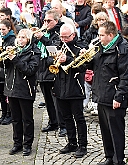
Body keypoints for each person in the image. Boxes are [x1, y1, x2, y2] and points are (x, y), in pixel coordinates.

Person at [88, 21, 128, 165]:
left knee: (116, 131)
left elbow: (127, 77)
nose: (99, 37)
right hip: (101, 94)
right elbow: (92, 66)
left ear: (111, 35)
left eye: (101, 35)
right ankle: (109, 157)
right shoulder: (100, 47)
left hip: (114, 96)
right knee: (105, 130)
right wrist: (87, 56)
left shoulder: (122, 50)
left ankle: (118, 160)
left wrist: (119, 96)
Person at [49, 23, 88, 158]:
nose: (63, 40)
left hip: (75, 87)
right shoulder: (58, 45)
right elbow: (49, 60)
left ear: (73, 35)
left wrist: (68, 59)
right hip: (60, 86)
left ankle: (83, 145)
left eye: (66, 37)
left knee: (79, 118)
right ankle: (72, 142)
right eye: (62, 37)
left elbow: (83, 66)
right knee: (66, 118)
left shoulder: (80, 46)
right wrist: (54, 58)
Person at [4, 29, 40, 156]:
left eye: (23, 37)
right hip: (12, 89)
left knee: (27, 119)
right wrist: (3, 55)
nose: (20, 40)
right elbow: (4, 67)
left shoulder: (34, 52)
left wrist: (14, 59)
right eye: (19, 37)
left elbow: (29, 70)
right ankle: (17, 143)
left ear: (28, 40)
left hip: (26, 89)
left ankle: (27, 145)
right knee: (15, 119)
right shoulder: (14, 50)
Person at [33, 9, 66, 136]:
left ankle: (63, 125)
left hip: (52, 70)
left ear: (56, 21)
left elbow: (56, 48)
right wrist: (35, 37)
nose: (45, 23)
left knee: (57, 100)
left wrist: (43, 39)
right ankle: (53, 122)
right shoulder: (43, 31)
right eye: (44, 20)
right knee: (47, 100)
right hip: (41, 70)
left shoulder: (59, 32)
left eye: (49, 21)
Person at [0, 19, 15, 125]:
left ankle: (9, 114)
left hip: (7, 71)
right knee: (2, 95)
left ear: (9, 29)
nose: (1, 31)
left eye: (3, 29)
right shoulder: (0, 39)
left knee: (7, 96)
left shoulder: (12, 40)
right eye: (0, 29)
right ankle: (3, 113)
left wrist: (2, 49)